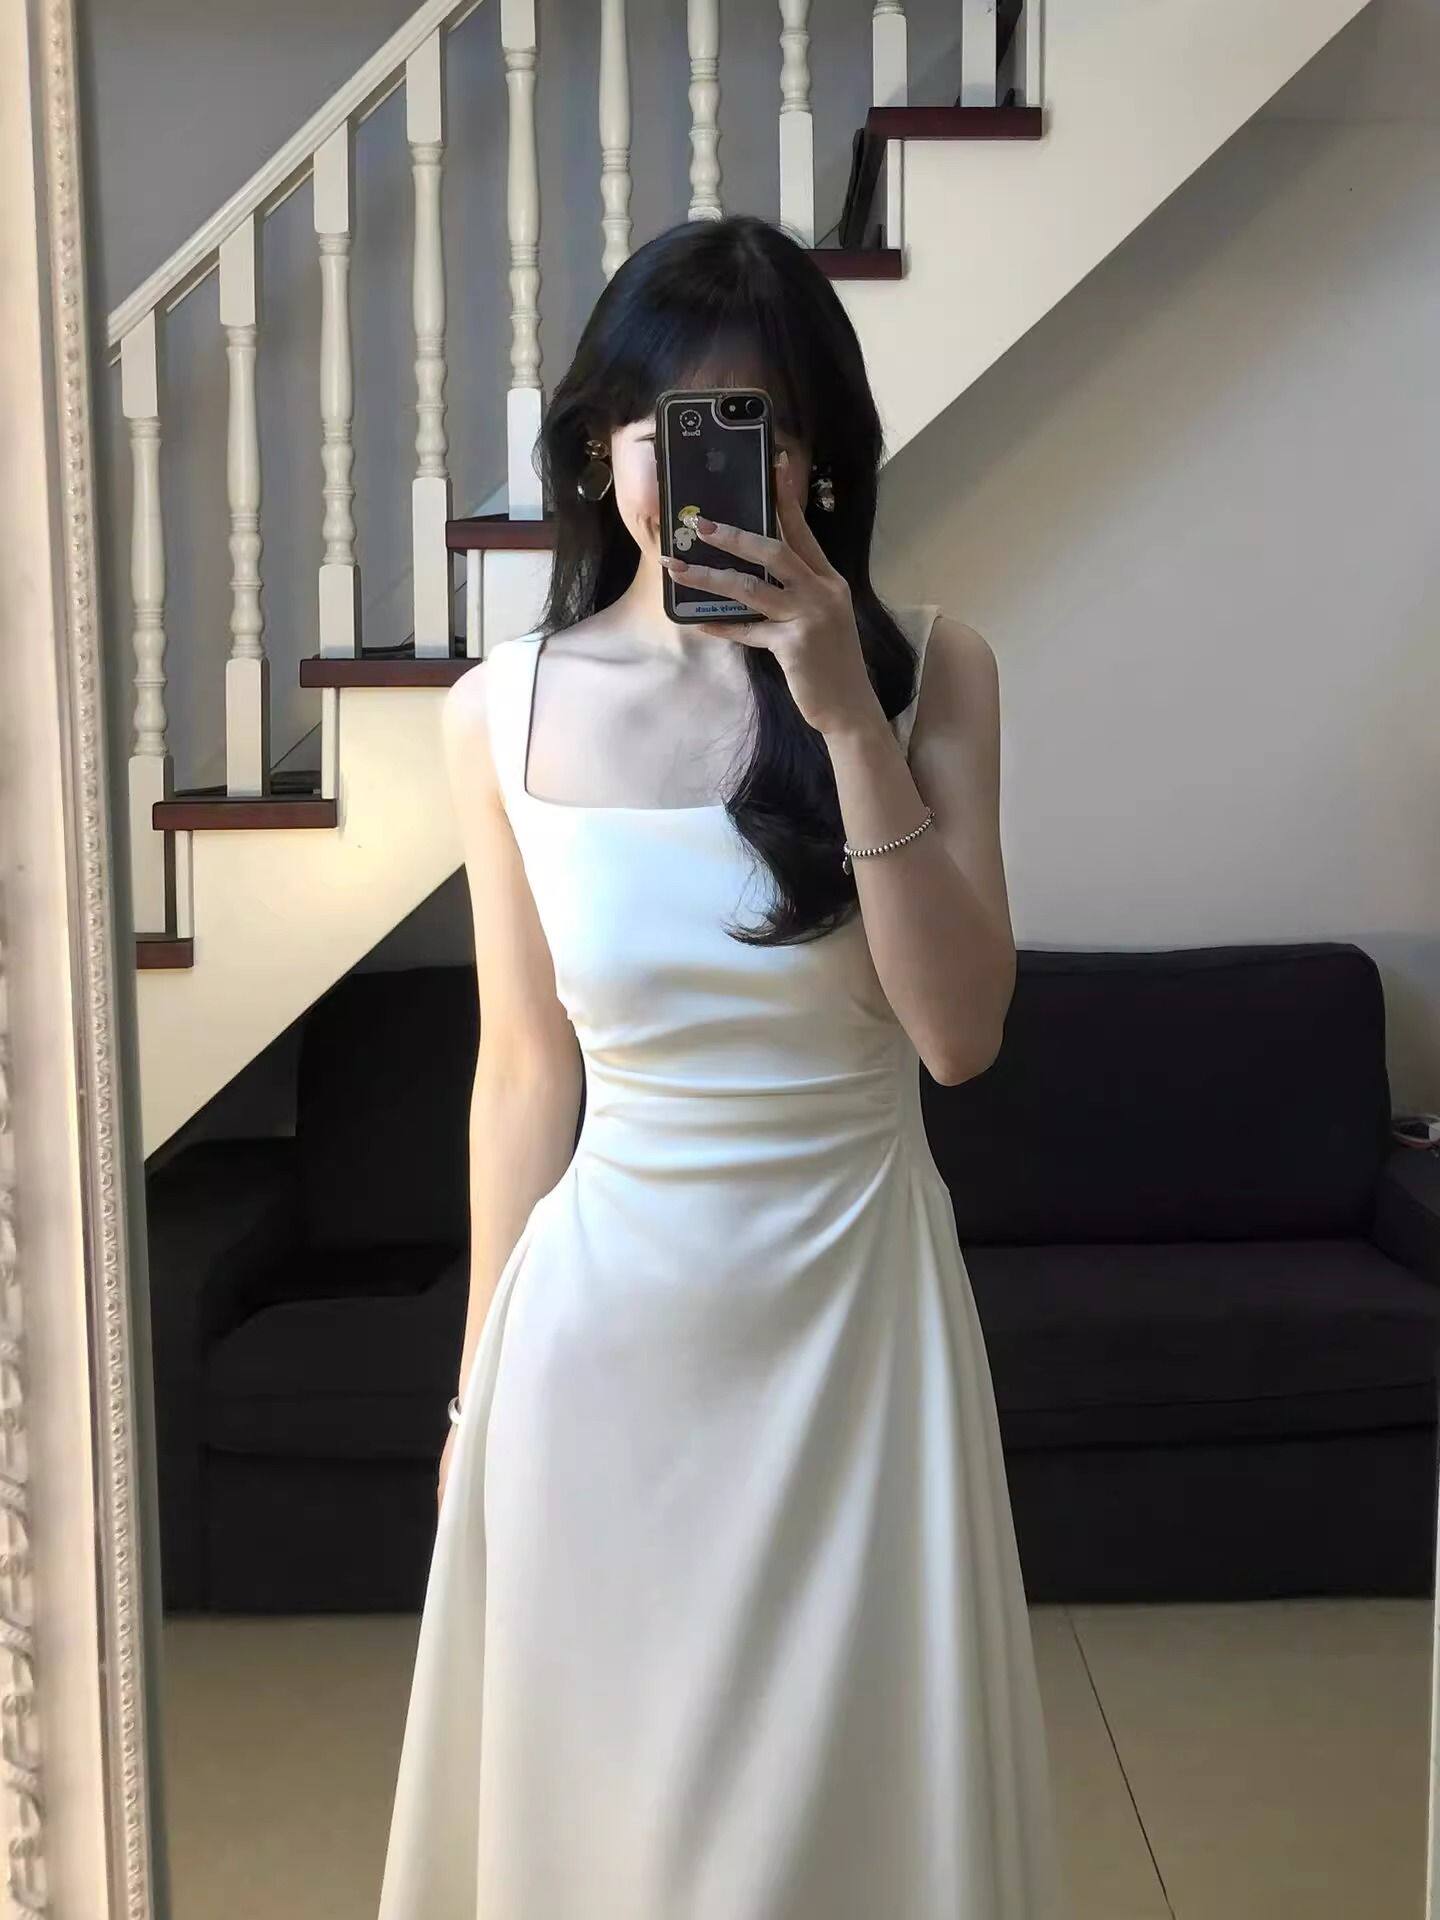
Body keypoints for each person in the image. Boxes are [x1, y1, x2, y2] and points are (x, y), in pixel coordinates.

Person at [377, 211, 1066, 1919]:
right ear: (598, 450)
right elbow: (523, 1074)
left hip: (855, 1328)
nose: (705, 470)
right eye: (664, 426)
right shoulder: (499, 710)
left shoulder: (935, 671)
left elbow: (961, 1037)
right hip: (601, 1345)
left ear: (819, 459)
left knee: (848, 1814)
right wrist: (471, 1399)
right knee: (621, 1819)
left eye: (757, 427)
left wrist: (841, 714)